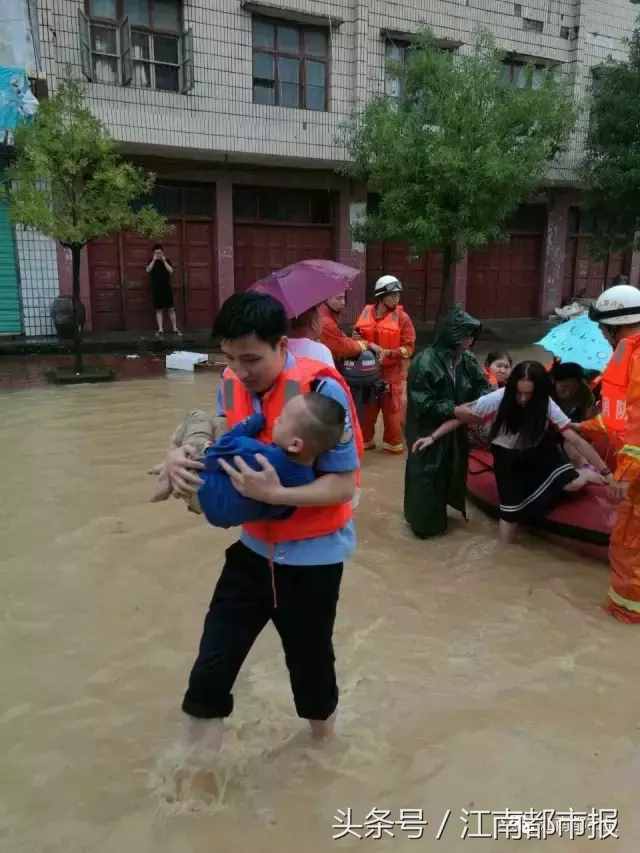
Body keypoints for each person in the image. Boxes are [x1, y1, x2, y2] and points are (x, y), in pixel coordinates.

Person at [162, 291, 362, 750]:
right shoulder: (230, 382)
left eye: (251, 358)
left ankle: (323, 757)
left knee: (311, 671)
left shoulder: (322, 393)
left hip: (312, 561)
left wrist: (276, 493)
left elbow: (343, 486)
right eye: (230, 357)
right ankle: (195, 784)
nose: (240, 369)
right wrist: (178, 455)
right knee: (210, 669)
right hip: (252, 553)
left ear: (282, 346)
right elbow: (214, 437)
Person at [412, 361, 614, 544]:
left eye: (529, 393)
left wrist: (606, 472)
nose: (524, 399)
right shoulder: (497, 398)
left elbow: (575, 439)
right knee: (509, 515)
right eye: (519, 393)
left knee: (573, 485)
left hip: (539, 452)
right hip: (506, 456)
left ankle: (585, 474)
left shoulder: (546, 403)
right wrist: (432, 437)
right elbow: (461, 417)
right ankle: (504, 560)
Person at [151, 395, 346, 529]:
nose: (276, 419)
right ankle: (171, 469)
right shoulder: (306, 478)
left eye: (282, 420)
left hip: (197, 487)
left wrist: (252, 422)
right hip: (223, 512)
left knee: (198, 416)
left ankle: (168, 477)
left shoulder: (258, 456)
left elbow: (217, 453)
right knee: (218, 423)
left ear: (295, 444)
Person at [577, 284, 640, 622]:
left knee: (629, 545)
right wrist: (582, 428)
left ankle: (626, 614)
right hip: (632, 464)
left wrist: (624, 477)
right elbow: (618, 417)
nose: (601, 334)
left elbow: (638, 429)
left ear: (615, 325)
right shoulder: (626, 353)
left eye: (602, 327)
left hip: (636, 472)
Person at [404, 305, 489, 538]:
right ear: (453, 335)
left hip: (455, 427)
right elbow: (422, 403)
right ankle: (423, 525)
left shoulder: (467, 359)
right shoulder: (424, 363)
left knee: (451, 469)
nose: (470, 340)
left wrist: (479, 403)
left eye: (473, 336)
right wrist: (455, 410)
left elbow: (483, 386)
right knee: (426, 476)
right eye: (466, 335)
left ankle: (440, 514)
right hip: (426, 428)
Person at [354, 275, 416, 453]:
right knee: (367, 409)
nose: (396, 298)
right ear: (381, 296)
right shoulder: (366, 313)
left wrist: (391, 353)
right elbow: (356, 336)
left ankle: (393, 442)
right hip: (368, 372)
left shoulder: (403, 319)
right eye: (392, 295)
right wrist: (363, 342)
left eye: (398, 295)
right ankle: (365, 439)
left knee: (392, 413)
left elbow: (409, 348)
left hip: (392, 373)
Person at [318, 291, 382, 367]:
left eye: (344, 298)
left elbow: (340, 338)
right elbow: (342, 347)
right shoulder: (326, 322)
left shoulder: (326, 316)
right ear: (326, 299)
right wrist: (365, 345)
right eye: (339, 298)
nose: (343, 302)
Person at [146, 244, 180, 336]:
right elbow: (148, 270)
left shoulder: (167, 260)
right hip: (156, 288)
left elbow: (171, 271)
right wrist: (153, 260)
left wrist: (164, 261)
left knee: (171, 309)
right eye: (156, 253)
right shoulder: (151, 261)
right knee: (158, 310)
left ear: (162, 252)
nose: (158, 254)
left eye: (159, 252)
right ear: (153, 253)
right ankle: (160, 329)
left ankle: (174, 328)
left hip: (167, 288)